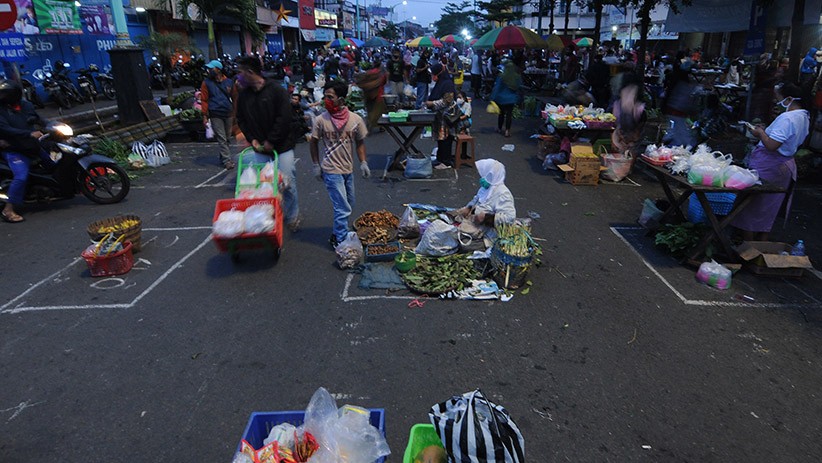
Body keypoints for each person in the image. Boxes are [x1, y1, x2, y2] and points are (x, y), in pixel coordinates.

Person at [731, 83, 809, 241]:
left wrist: (760, 133)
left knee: (751, 207)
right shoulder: (804, 115)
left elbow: (772, 145)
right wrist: (766, 131)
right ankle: (759, 249)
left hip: (770, 166)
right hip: (784, 167)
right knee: (768, 209)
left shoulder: (787, 118)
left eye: (778, 98)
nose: (776, 101)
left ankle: (748, 249)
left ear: (788, 99)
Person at [234, 56, 302, 232]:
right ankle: (268, 217)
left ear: (250, 72)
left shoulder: (276, 90)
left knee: (287, 182)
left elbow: (284, 117)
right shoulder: (244, 95)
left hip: (282, 146)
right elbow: (241, 119)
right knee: (263, 186)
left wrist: (272, 140)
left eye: (240, 72)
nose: (238, 76)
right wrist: (252, 138)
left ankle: (292, 216)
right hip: (260, 149)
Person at [309, 80, 370, 249]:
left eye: (330, 97)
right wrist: (316, 165)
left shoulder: (355, 119)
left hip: (347, 169)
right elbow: (313, 142)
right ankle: (341, 241)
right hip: (330, 169)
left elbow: (360, 142)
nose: (325, 100)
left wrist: (363, 162)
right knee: (342, 207)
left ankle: (337, 232)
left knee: (350, 203)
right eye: (325, 96)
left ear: (342, 100)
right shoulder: (321, 120)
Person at [0, 80, 54, 223]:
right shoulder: (1, 110)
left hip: (33, 145)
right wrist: (29, 134)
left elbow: (37, 118)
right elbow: (6, 129)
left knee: (53, 162)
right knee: (21, 176)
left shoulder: (26, 105)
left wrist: (51, 124)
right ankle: (8, 209)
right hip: (14, 149)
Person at [453, 159, 516, 243]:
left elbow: (510, 217)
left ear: (491, 175)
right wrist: (468, 208)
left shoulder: (503, 194)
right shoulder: (485, 188)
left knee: (460, 238)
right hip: (474, 220)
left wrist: (486, 218)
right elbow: (476, 199)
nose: (482, 178)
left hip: (487, 227)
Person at [200, 59, 236, 169]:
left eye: (212, 68)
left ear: (219, 69)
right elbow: (204, 100)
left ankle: (223, 156)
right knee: (221, 137)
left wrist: (236, 113)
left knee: (228, 137)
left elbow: (235, 98)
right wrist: (205, 116)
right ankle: (227, 160)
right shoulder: (206, 83)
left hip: (228, 113)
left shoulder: (229, 82)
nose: (209, 70)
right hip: (215, 113)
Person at [424, 62, 458, 169]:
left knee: (446, 139)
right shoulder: (440, 83)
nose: (433, 77)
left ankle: (446, 162)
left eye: (434, 74)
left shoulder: (447, 84)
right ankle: (440, 159)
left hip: (447, 117)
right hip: (440, 116)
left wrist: (432, 103)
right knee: (441, 139)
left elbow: (447, 101)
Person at [491, 60, 522, 138]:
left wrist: (493, 97)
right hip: (511, 99)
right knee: (509, 115)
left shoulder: (502, 76)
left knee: (501, 114)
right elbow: (518, 87)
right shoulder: (516, 76)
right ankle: (507, 131)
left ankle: (499, 128)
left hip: (501, 99)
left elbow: (497, 88)